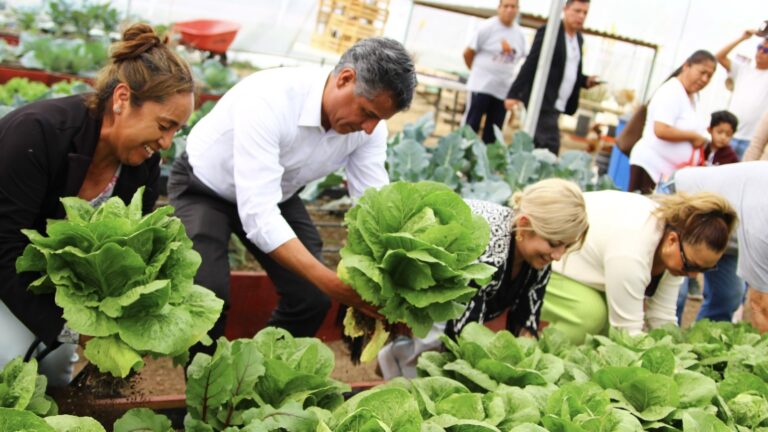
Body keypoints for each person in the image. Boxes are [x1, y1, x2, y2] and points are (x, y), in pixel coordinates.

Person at [168, 37, 417, 349]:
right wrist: (331, 283)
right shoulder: (270, 99)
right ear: (345, 78)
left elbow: (373, 204)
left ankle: (258, 371)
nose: (369, 128)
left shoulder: (369, 129)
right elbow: (259, 216)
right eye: (367, 112)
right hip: (204, 188)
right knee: (208, 298)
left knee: (312, 298)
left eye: (379, 119)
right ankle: (206, 378)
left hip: (278, 194)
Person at [0, 23, 195, 386]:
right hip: (6, 269)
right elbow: (4, 247)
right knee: (9, 360)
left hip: (43, 286)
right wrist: (74, 329)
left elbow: (133, 253)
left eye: (176, 132)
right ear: (122, 99)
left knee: (56, 371)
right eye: (164, 125)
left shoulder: (143, 164)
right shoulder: (37, 133)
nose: (167, 143)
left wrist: (124, 321)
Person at [378, 178, 589, 379]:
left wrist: (525, 364)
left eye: (567, 246)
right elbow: (464, 332)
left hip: (455, 304)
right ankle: (395, 358)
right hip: (429, 289)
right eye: (554, 244)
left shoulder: (537, 257)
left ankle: (398, 360)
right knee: (432, 353)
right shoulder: (489, 248)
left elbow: (528, 319)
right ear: (525, 224)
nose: (558, 255)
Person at [540, 190, 737, 344]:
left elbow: (662, 317)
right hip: (547, 262)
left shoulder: (676, 244)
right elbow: (627, 331)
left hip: (583, 272)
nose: (693, 275)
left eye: (703, 270)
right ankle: (544, 352)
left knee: (607, 325)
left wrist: (677, 357)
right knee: (590, 314)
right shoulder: (632, 248)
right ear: (672, 240)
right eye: (691, 265)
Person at [670, 163, 768, 331]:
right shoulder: (761, 223)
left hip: (730, 232)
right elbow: (761, 305)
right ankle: (664, 341)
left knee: (727, 296)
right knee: (675, 296)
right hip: (686, 208)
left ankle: (701, 344)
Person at [505, 0, 600, 156]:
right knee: (549, 146)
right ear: (565, 9)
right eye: (577, 11)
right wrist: (514, 93)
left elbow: (568, 70)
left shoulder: (578, 39)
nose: (581, 16)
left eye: (585, 13)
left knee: (538, 149)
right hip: (543, 100)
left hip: (558, 104)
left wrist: (584, 81)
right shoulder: (549, 32)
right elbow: (531, 62)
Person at [628, 50, 716, 194]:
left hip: (668, 174)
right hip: (651, 167)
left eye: (709, 76)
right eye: (702, 72)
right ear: (686, 66)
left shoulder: (694, 97)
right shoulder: (671, 91)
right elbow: (661, 130)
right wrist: (693, 136)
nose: (705, 79)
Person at [462, 0, 527, 143]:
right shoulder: (487, 27)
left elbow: (524, 59)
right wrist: (476, 71)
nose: (509, 10)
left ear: (517, 10)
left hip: (503, 91)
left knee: (493, 133)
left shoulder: (520, 34)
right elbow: (468, 53)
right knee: (471, 127)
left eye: (513, 6)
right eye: (506, 6)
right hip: (481, 86)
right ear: (499, 8)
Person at [715, 31, 768, 159]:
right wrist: (743, 37)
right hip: (729, 136)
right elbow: (719, 56)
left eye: (766, 50)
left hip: (751, 141)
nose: (760, 52)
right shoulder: (743, 69)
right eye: (759, 47)